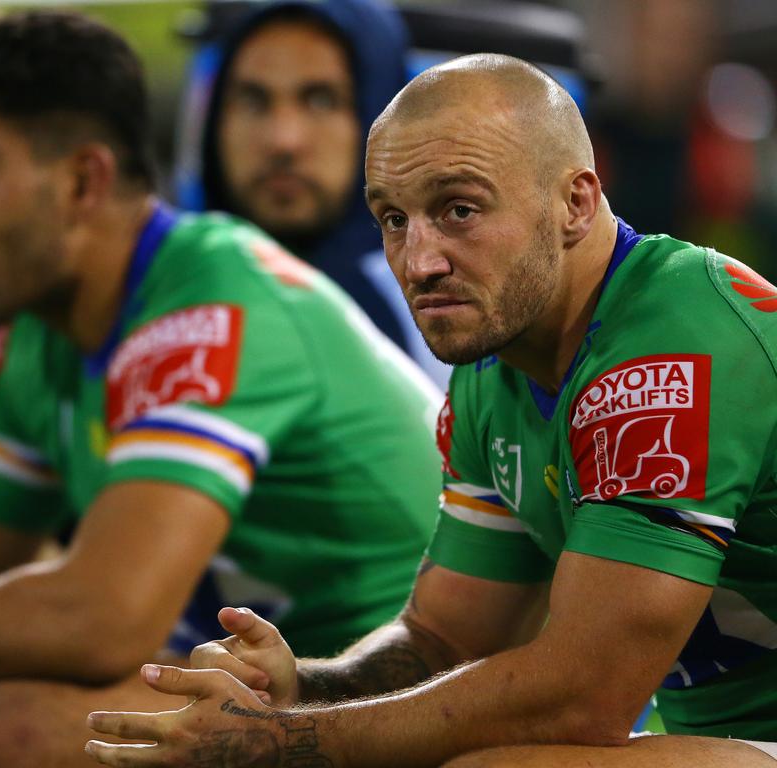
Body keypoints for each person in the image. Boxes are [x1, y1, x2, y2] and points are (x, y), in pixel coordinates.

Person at [0, 10, 443, 768]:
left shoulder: (211, 305)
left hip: (370, 692)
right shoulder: (38, 330)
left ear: (84, 180)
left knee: (22, 725)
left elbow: (102, 617)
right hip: (233, 668)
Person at [86, 54, 777, 767]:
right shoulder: (492, 364)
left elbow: (584, 695)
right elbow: (443, 640)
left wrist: (282, 743)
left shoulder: (676, 347)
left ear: (575, 202)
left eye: (459, 210)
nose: (419, 262)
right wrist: (299, 689)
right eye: (393, 217)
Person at [175, 0, 452, 388]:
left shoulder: (453, 312)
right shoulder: (151, 297)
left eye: (321, 100)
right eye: (253, 100)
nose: (283, 140)